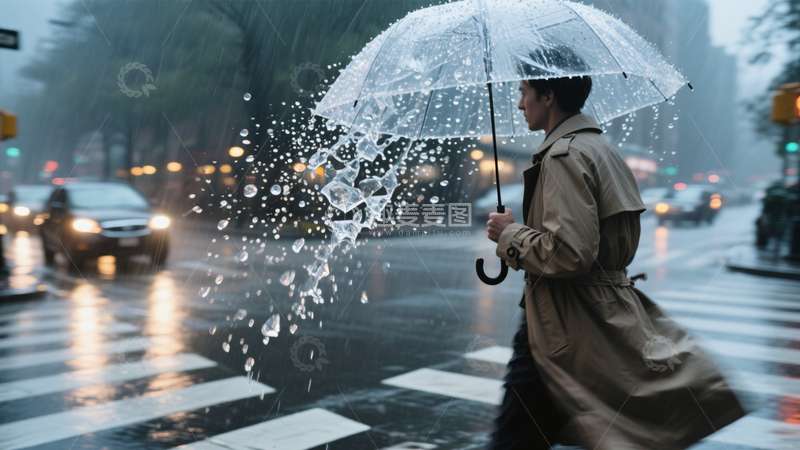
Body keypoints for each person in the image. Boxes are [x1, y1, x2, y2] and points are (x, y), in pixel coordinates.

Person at [486, 48, 748, 450]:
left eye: (524, 92)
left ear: (548, 95)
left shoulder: (564, 155)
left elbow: (570, 253)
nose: (520, 103)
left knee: (518, 435)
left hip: (564, 319)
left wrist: (509, 235)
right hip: (583, 313)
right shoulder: (601, 150)